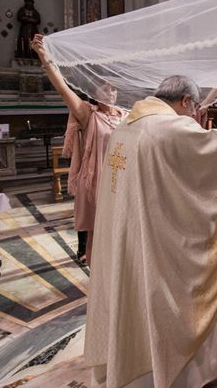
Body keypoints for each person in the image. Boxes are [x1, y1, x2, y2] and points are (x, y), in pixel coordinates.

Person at [85, 75, 217, 388]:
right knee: (174, 297)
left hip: (128, 235)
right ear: (185, 101)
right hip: (160, 242)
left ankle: (130, 368)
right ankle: (184, 375)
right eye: (195, 108)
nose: (195, 116)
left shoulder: (126, 126)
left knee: (133, 296)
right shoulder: (169, 126)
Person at [31, 34, 127, 265]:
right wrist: (45, 58)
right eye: (106, 88)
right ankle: (97, 287)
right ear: (95, 92)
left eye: (114, 89)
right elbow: (64, 90)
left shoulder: (126, 116)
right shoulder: (88, 115)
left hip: (121, 180)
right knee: (95, 234)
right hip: (96, 182)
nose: (111, 93)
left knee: (120, 235)